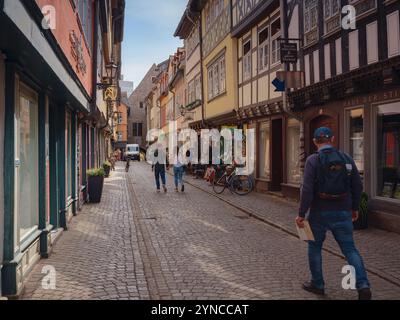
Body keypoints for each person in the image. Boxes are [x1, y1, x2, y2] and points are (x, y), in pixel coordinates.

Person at [296, 127, 371, 300]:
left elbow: (307, 189)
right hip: (343, 211)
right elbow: (357, 186)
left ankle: (318, 284)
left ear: (315, 141)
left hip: (319, 213)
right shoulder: (346, 158)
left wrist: (301, 213)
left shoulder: (312, 160)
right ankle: (363, 285)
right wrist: (354, 208)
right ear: (333, 139)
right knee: (350, 249)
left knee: (314, 247)